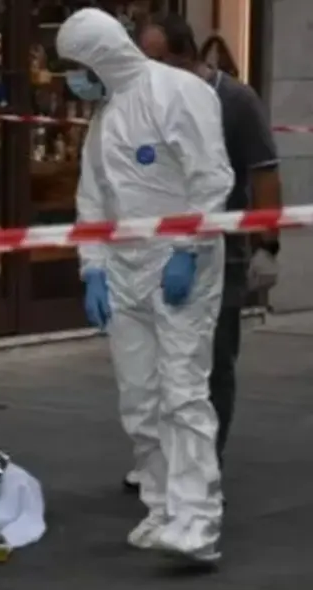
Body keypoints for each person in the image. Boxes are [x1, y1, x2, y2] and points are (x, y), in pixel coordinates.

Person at [57, 8, 233, 562]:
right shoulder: (105, 120)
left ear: (100, 56)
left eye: (77, 65)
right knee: (140, 396)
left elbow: (210, 177)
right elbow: (92, 201)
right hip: (126, 272)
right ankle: (161, 506)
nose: (74, 78)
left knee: (182, 393)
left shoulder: (178, 92)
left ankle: (197, 521)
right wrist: (93, 269)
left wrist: (187, 250)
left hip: (182, 266)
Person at [121, 13, 283, 494]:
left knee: (210, 363)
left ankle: (203, 464)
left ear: (182, 56)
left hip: (221, 253)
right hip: (155, 254)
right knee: (154, 367)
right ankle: (160, 458)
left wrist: (267, 246)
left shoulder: (234, 101)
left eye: (153, 60)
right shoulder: (147, 102)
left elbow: (265, 173)